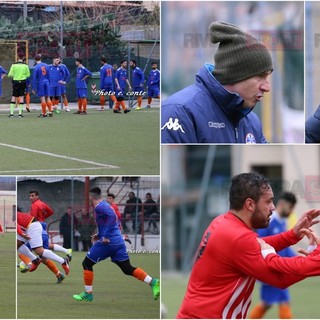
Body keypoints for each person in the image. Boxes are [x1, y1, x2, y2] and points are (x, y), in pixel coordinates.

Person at [177, 172, 320, 319]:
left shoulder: (223, 222)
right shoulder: (239, 238)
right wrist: (315, 260)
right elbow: (281, 278)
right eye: (268, 202)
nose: (273, 208)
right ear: (250, 204)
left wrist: (293, 235)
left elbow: (256, 246)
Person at [161, 21, 273, 143]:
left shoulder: (252, 122)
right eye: (260, 76)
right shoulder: (179, 112)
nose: (267, 87)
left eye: (268, 77)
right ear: (235, 74)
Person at [72, 187, 160, 302]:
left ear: (91, 197)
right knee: (127, 269)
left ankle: (88, 294)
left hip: (109, 242)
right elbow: (111, 221)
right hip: (118, 241)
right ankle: (153, 282)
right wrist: (100, 234)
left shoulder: (100, 207)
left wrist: (106, 236)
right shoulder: (104, 205)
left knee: (87, 263)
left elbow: (112, 217)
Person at [249, 192, 297, 319]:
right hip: (269, 269)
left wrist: (299, 259)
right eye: (291, 207)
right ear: (282, 204)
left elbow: (284, 248)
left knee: (280, 301)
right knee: (268, 303)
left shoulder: (282, 222)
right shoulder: (269, 221)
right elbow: (259, 243)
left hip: (280, 269)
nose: (292, 211)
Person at [17, 211, 70, 276]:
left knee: (39, 251)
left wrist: (21, 234)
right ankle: (35, 260)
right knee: (16, 244)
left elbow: (15, 224)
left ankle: (63, 261)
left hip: (32, 226)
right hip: (26, 228)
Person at [7, 53, 30, 117]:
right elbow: (28, 75)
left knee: (14, 96)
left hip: (15, 82)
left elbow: (9, 75)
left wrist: (15, 75)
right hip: (23, 82)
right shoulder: (25, 66)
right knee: (21, 96)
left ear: (17, 58)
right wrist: (23, 75)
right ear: (23, 58)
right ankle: (20, 113)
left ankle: (11, 113)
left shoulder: (14, 65)